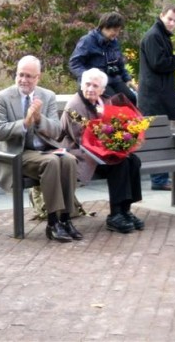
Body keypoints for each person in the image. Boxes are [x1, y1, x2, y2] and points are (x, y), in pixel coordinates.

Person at [0, 55, 82, 242]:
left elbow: (56, 131)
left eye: (29, 76)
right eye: (20, 75)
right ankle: (53, 222)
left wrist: (39, 119)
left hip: (44, 151)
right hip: (16, 154)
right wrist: (24, 122)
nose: (24, 80)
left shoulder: (47, 96)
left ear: (38, 77)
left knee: (69, 160)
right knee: (52, 162)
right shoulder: (3, 98)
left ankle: (65, 219)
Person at [60, 68, 144, 233]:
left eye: (95, 86)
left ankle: (125, 210)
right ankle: (115, 215)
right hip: (81, 153)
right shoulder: (74, 106)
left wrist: (124, 140)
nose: (91, 89)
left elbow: (117, 125)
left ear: (102, 90)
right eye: (87, 84)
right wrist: (106, 133)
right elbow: (82, 137)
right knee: (119, 163)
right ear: (82, 85)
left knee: (133, 160)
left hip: (101, 151)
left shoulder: (106, 101)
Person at [138, 4, 175, 191]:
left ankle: (160, 179)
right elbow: (158, 63)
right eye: (170, 19)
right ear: (161, 16)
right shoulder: (154, 36)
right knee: (156, 139)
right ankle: (159, 180)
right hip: (153, 98)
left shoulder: (160, 35)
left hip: (157, 96)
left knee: (158, 137)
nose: (172, 23)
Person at [69, 12, 137, 105]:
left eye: (118, 31)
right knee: (113, 101)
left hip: (114, 79)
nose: (116, 34)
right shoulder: (87, 41)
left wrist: (127, 79)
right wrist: (88, 76)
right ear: (104, 27)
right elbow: (74, 63)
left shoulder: (114, 42)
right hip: (96, 81)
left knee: (131, 98)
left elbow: (120, 63)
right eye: (114, 30)